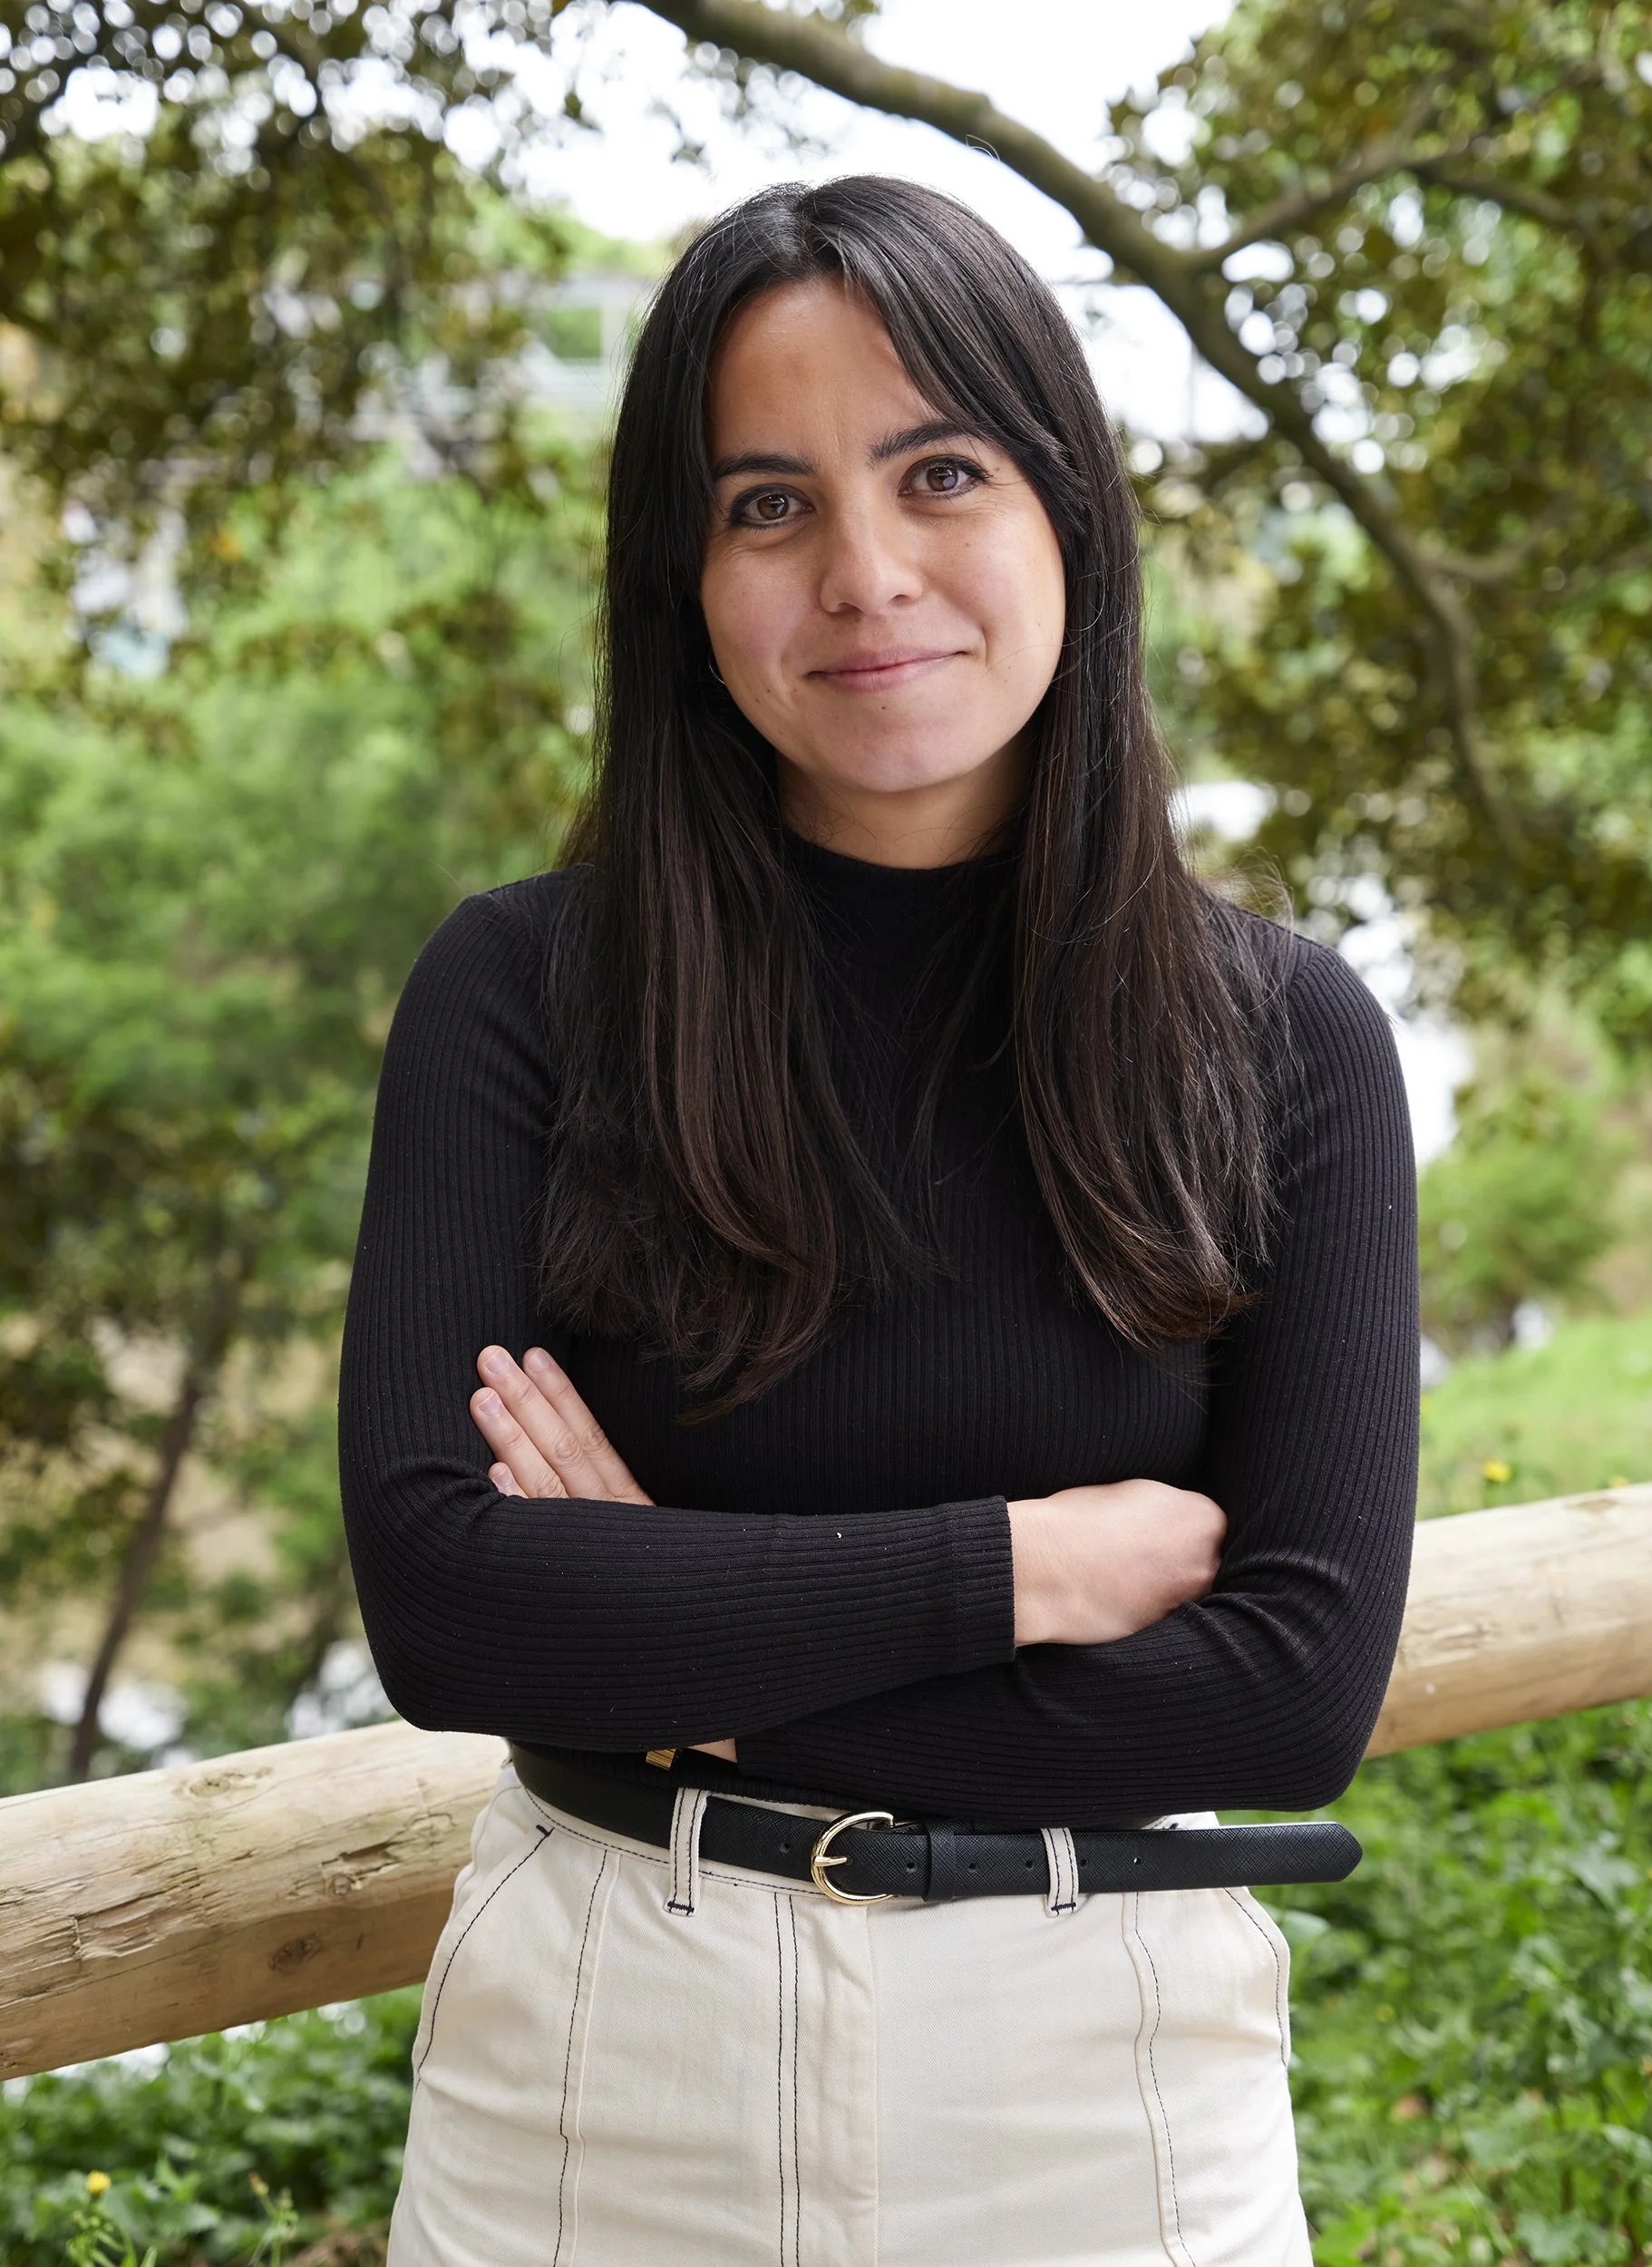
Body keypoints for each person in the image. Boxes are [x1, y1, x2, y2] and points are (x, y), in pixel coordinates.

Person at [340, 174, 1419, 2267]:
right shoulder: (524, 994)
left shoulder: (1279, 1036)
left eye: (938, 470)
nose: (863, 572)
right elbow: (448, 1609)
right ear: (684, 572)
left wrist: (659, 1618)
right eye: (766, 504)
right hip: (601, 2051)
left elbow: (1288, 1687)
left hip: (1096, 2076)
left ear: (1066, 520)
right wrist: (1018, 1566)